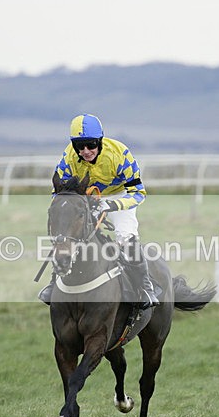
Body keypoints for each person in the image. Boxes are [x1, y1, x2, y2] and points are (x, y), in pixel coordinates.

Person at [38, 113, 159, 309]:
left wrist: (113, 205)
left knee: (125, 235)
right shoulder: (68, 156)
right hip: (87, 198)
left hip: (120, 196)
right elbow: (59, 193)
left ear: (100, 141)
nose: (85, 151)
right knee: (68, 234)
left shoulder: (120, 154)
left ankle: (145, 287)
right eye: (80, 146)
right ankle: (54, 282)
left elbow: (139, 193)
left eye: (91, 145)